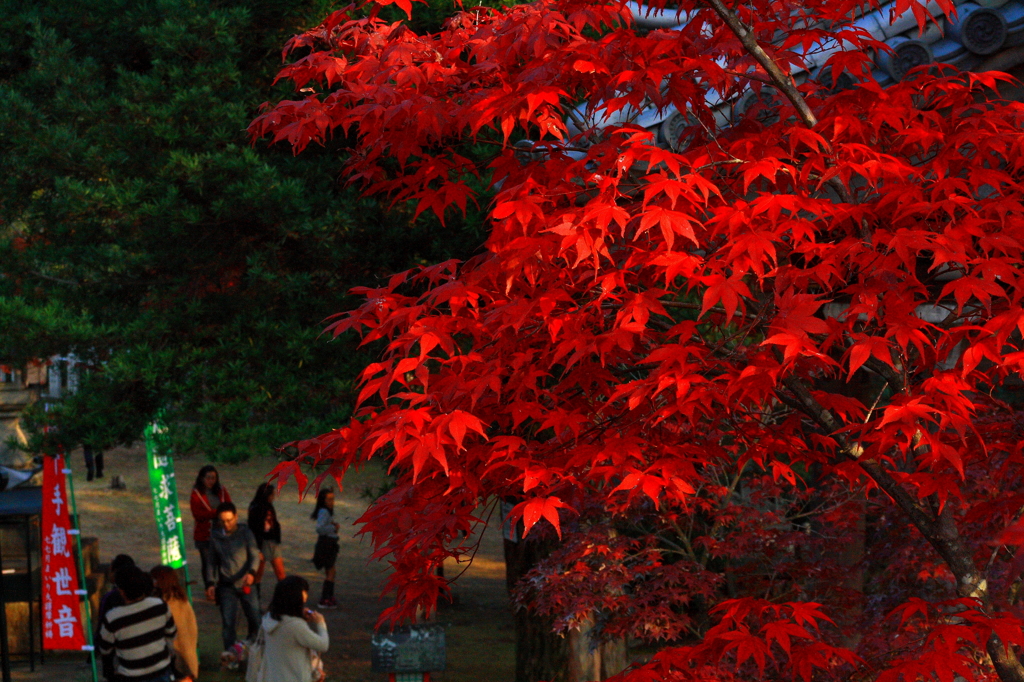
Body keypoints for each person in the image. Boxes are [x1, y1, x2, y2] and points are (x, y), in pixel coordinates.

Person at [98, 565, 177, 682]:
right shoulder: (160, 605)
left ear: (121, 591)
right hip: (162, 671)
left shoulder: (113, 617)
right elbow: (172, 633)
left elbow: (105, 649)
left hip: (131, 676)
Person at [205, 501, 261, 651]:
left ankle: (257, 648)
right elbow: (211, 561)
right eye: (222, 521)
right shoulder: (215, 536)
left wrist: (251, 573)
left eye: (229, 520)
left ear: (236, 517)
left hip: (246, 583)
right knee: (228, 622)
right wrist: (210, 582)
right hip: (226, 586)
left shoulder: (246, 533)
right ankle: (231, 655)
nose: (226, 524)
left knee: (255, 617)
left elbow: (255, 555)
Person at [260, 576, 328, 682]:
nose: (306, 597)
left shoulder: (269, 618)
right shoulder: (296, 626)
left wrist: (299, 615)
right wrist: (321, 623)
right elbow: (323, 645)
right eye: (304, 592)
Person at [150, 566, 198, 681]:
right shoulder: (181, 600)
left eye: (154, 579)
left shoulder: (164, 605)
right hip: (187, 659)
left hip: (177, 662)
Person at [189, 465, 231, 590]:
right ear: (202, 478)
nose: (211, 481)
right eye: (208, 478)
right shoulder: (196, 494)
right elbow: (198, 514)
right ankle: (209, 587)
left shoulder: (221, 491)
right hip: (204, 533)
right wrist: (216, 513)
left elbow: (229, 505)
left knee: (222, 560)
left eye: (213, 478)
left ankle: (222, 586)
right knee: (208, 562)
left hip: (222, 531)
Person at [97, 554, 137, 681]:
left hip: (119, 657)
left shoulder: (110, 598)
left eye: (111, 568)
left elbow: (102, 629)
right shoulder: (146, 596)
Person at [248, 483, 285, 597]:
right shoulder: (256, 508)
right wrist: (256, 549)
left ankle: (283, 599)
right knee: (258, 574)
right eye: (272, 494)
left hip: (272, 542)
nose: (273, 497)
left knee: (280, 573)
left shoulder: (268, 506)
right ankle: (255, 601)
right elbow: (253, 529)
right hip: (262, 543)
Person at [310, 489, 340, 609]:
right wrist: (333, 528)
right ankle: (325, 598)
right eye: (329, 499)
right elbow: (320, 528)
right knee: (331, 571)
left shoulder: (326, 512)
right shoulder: (324, 511)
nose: (332, 502)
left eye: (333, 499)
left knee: (330, 570)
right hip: (327, 544)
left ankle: (328, 596)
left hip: (328, 543)